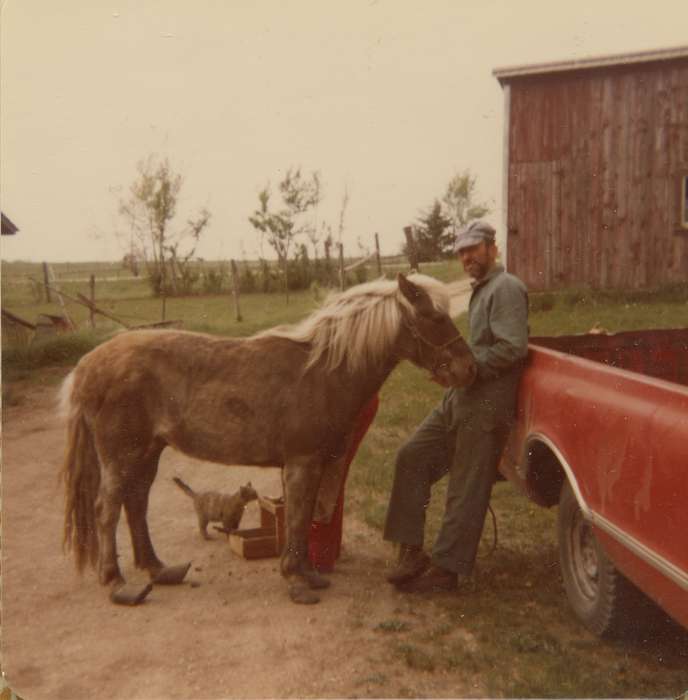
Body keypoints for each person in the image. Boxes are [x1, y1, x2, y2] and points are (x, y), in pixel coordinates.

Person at [383, 220, 528, 593]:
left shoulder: (506, 288)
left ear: (492, 248)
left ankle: (447, 570)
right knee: (412, 456)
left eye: (474, 248)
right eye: (462, 251)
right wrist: (450, 367)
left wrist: (468, 364)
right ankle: (410, 552)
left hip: (488, 403)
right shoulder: (480, 290)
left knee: (466, 485)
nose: (467, 257)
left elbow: (512, 347)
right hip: (460, 396)